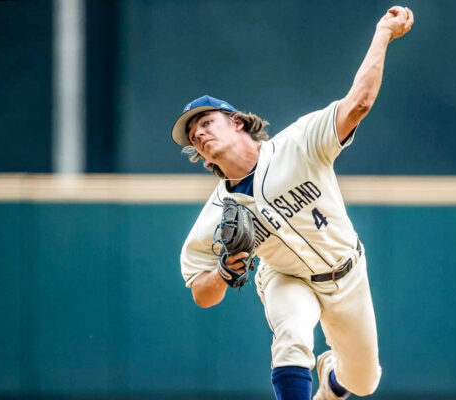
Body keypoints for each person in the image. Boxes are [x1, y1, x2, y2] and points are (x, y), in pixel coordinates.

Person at [171, 6, 414, 400]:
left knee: (364, 382)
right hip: (284, 277)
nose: (197, 134)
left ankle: (332, 379)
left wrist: (383, 33)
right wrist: (222, 272)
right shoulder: (217, 210)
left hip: (346, 270)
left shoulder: (299, 144)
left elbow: (359, 103)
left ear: (235, 121)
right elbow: (201, 292)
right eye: (192, 135)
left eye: (205, 122)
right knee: (292, 334)